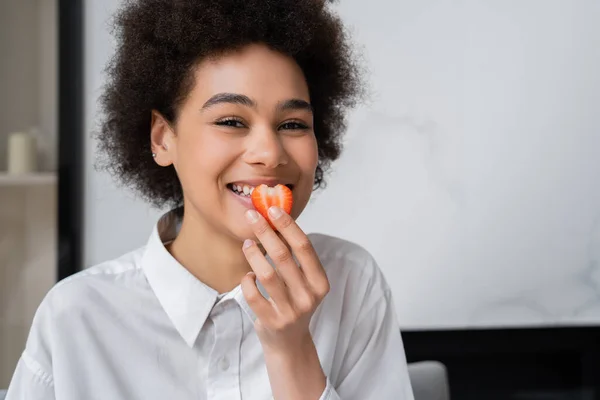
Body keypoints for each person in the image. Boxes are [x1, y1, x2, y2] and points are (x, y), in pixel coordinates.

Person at [6, 0, 414, 399]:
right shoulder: (76, 317)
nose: (270, 153)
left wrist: (291, 351)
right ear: (163, 139)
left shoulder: (352, 283)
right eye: (231, 121)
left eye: (292, 124)